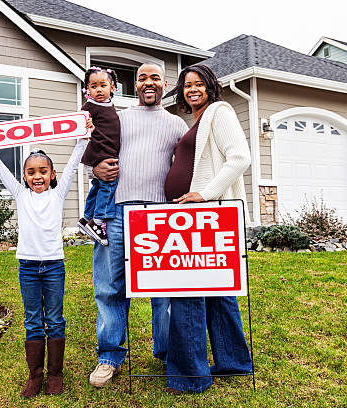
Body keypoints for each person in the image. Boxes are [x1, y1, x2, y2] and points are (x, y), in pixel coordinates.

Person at [0, 124, 90, 397]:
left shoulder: (58, 194)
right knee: (33, 320)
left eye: (43, 171)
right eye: (31, 172)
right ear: (23, 176)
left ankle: (55, 375)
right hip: (28, 268)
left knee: (55, 320)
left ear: (52, 175)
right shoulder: (20, 194)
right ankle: (35, 376)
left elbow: (73, 164)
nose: (37, 176)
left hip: (54, 266)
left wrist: (83, 137)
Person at [88, 63, 189, 388]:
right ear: (135, 84)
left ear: (165, 84)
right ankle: (109, 358)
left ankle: (167, 352)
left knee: (164, 290)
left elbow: (191, 163)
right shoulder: (120, 117)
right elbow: (95, 151)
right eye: (142, 78)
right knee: (110, 287)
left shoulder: (176, 124)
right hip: (116, 211)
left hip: (160, 216)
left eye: (155, 78)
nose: (149, 83)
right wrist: (95, 169)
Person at [163, 64, 254, 393]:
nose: (192, 89)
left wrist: (205, 193)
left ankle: (190, 377)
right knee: (218, 291)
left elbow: (240, 158)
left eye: (199, 83)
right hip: (199, 219)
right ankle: (234, 363)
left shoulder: (220, 111)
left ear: (211, 87)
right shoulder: (198, 121)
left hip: (205, 217)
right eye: (187, 85)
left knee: (187, 292)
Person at [77, 66, 121, 246]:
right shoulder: (89, 106)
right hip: (99, 154)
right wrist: (84, 122)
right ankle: (98, 221)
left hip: (102, 153)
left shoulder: (109, 105)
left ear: (112, 87)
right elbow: (78, 123)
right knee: (109, 185)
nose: (98, 89)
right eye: (93, 86)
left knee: (97, 187)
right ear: (88, 90)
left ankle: (86, 218)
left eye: (103, 85)